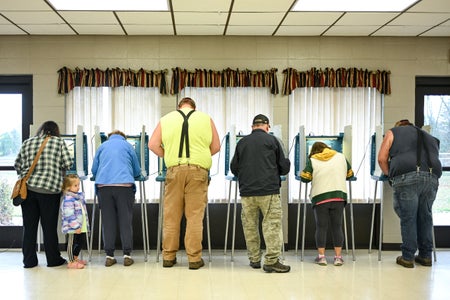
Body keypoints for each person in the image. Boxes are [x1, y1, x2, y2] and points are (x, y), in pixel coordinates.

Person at [148, 97, 220, 270]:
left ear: (179, 107)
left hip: (174, 171)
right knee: (194, 216)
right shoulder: (205, 118)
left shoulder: (166, 119)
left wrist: (169, 155)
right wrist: (200, 156)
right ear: (194, 108)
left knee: (171, 216)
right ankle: (194, 259)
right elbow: (216, 147)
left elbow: (152, 144)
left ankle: (168, 257)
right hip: (198, 172)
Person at [230, 114, 291, 273]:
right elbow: (284, 168)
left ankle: (254, 259)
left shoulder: (242, 142)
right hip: (268, 191)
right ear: (267, 126)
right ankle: (271, 261)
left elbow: (233, 168)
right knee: (271, 225)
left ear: (252, 127)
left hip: (247, 192)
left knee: (250, 226)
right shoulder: (273, 141)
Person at [378, 119, 441, 268]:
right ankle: (426, 256)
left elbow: (381, 159)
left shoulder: (393, 132)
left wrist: (390, 175)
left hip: (407, 178)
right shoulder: (430, 137)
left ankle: (407, 257)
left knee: (408, 217)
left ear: (398, 127)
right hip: (432, 178)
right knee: (425, 217)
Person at [14, 121, 73, 268]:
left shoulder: (28, 142)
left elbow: (17, 164)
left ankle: (29, 261)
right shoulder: (58, 142)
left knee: (29, 228)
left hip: (28, 191)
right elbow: (68, 163)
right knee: (49, 227)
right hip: (49, 191)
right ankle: (53, 260)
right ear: (55, 131)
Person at [91, 130, 141, 267]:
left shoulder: (102, 146)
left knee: (108, 221)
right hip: (124, 186)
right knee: (125, 220)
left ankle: (109, 256)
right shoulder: (128, 146)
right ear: (123, 137)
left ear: (109, 137)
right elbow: (137, 170)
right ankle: (127, 255)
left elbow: (94, 169)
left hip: (104, 187)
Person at [299, 142, 354, 266]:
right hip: (339, 196)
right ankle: (338, 257)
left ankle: (321, 257)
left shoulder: (313, 160)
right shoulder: (341, 156)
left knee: (321, 227)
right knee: (337, 226)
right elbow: (350, 174)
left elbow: (305, 178)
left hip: (320, 197)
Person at [60, 174, 89, 269]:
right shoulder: (68, 199)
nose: (78, 187)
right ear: (68, 187)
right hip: (72, 227)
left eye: (78, 185)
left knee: (81, 241)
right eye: (75, 185)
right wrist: (76, 226)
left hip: (81, 226)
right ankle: (71, 261)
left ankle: (75, 258)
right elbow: (69, 215)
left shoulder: (78, 197)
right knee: (71, 243)